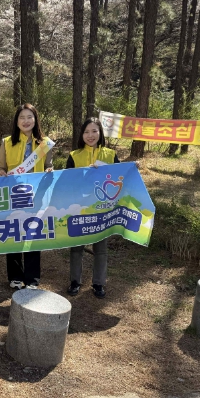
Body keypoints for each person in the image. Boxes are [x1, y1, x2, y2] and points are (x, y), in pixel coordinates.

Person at [0, 103, 54, 290]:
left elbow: (49, 165)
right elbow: (1, 167)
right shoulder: (7, 142)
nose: (26, 121)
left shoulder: (44, 143)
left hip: (36, 196)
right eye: (22, 117)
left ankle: (32, 279)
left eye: (30, 117)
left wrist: (49, 169)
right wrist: (1, 172)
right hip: (14, 195)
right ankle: (15, 276)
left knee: (33, 234)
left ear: (35, 119)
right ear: (16, 121)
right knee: (14, 233)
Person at [66, 117, 120, 299]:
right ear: (81, 135)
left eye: (94, 131)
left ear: (100, 133)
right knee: (76, 248)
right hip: (80, 210)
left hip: (102, 210)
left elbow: (121, 177)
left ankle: (98, 283)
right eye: (86, 132)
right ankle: (75, 281)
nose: (90, 135)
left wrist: (133, 167)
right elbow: (67, 182)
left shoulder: (111, 155)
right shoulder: (74, 156)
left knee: (101, 250)